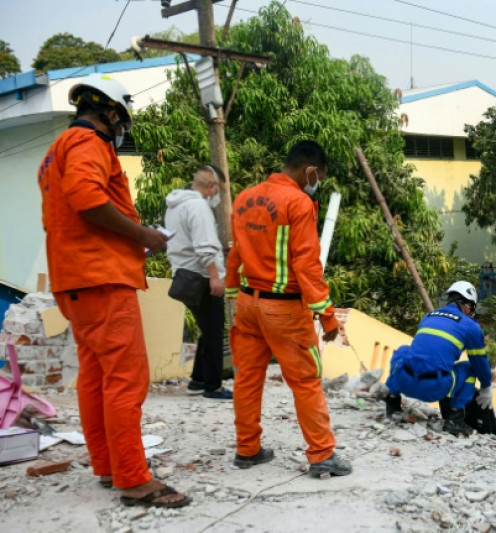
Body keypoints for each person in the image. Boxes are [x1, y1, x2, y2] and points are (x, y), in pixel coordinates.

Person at [38, 74, 189, 507]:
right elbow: (87, 198)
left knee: (97, 378)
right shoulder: (89, 144)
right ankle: (133, 479)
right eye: (120, 125)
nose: (120, 134)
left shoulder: (54, 151)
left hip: (74, 280)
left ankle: (108, 467)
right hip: (101, 277)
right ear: (109, 112)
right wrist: (143, 235)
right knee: (125, 380)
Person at [225, 140, 351, 478]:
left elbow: (235, 254)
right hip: (283, 310)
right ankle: (322, 455)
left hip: (248, 304)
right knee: (306, 381)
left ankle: (247, 449)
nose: (318, 182)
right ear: (310, 170)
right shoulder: (298, 202)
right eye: (319, 176)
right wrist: (327, 317)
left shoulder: (244, 198)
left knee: (248, 379)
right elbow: (307, 266)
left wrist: (231, 294)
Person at [384, 281, 494, 436]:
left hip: (405, 383)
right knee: (470, 368)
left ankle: (392, 402)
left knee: (403, 351)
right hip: (433, 390)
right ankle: (454, 419)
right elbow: (479, 362)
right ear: (468, 306)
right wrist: (486, 386)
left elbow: (428, 350)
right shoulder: (471, 326)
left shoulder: (429, 316)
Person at [164, 165, 231, 399]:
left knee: (206, 329)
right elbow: (204, 248)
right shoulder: (199, 207)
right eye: (220, 190)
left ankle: (198, 381)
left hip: (183, 273)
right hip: (201, 276)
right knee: (213, 331)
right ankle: (213, 386)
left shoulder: (176, 206)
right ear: (211, 186)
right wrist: (215, 276)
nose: (219, 196)